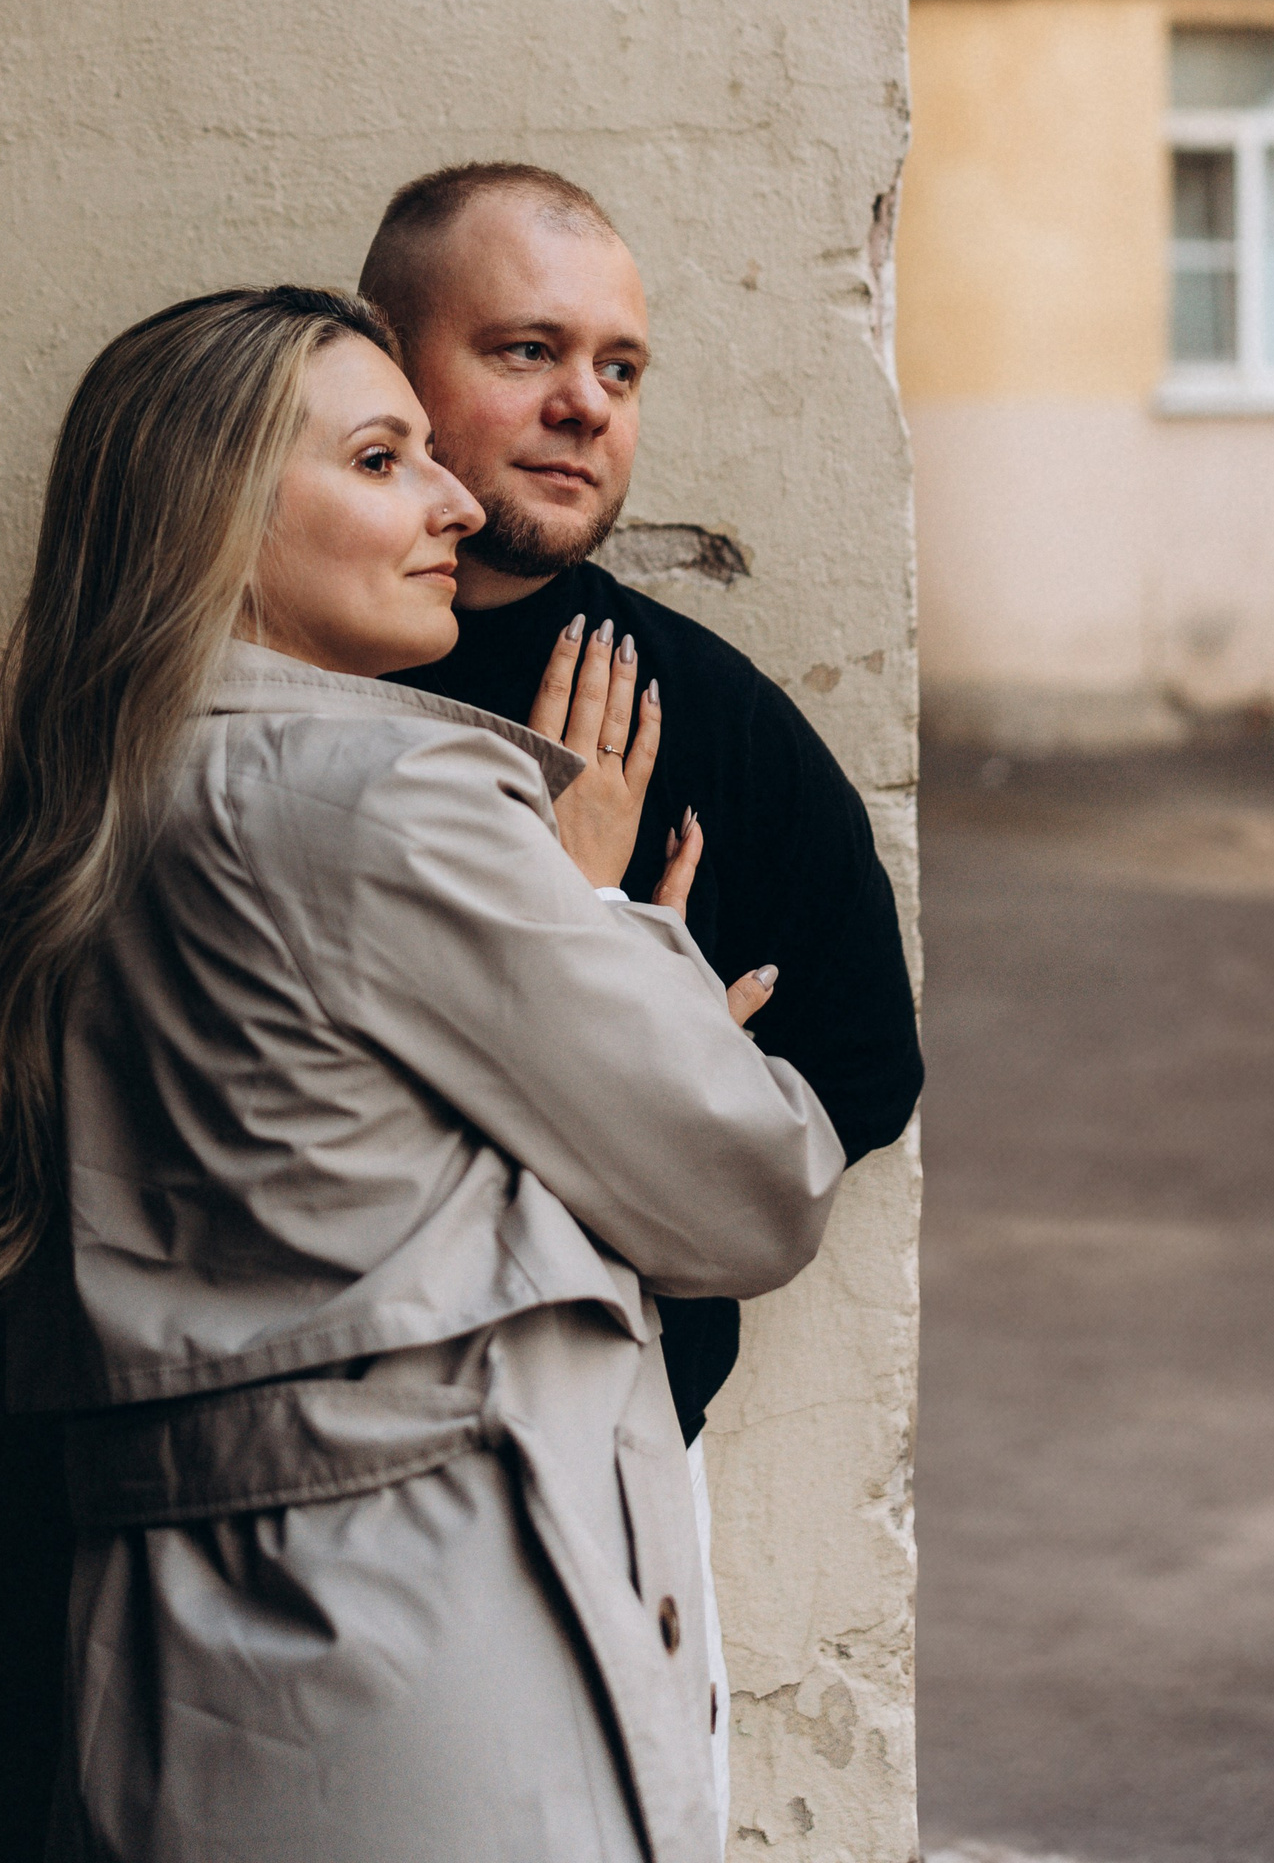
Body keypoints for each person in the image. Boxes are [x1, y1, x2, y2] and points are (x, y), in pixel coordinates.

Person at [0, 284, 844, 1863]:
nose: (456, 503)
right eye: (380, 459)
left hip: (168, 1674)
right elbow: (755, 1190)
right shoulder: (391, 798)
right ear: (215, 517)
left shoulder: (92, 810)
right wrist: (599, 911)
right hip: (440, 1673)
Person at [363, 162, 926, 1802]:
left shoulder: (709, 718)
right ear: (383, 359)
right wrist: (628, 1024)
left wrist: (665, 1096)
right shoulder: (266, 692)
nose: (584, 407)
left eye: (619, 367)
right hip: (295, 1464)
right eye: (526, 351)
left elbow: (862, 1069)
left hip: (607, 1475)